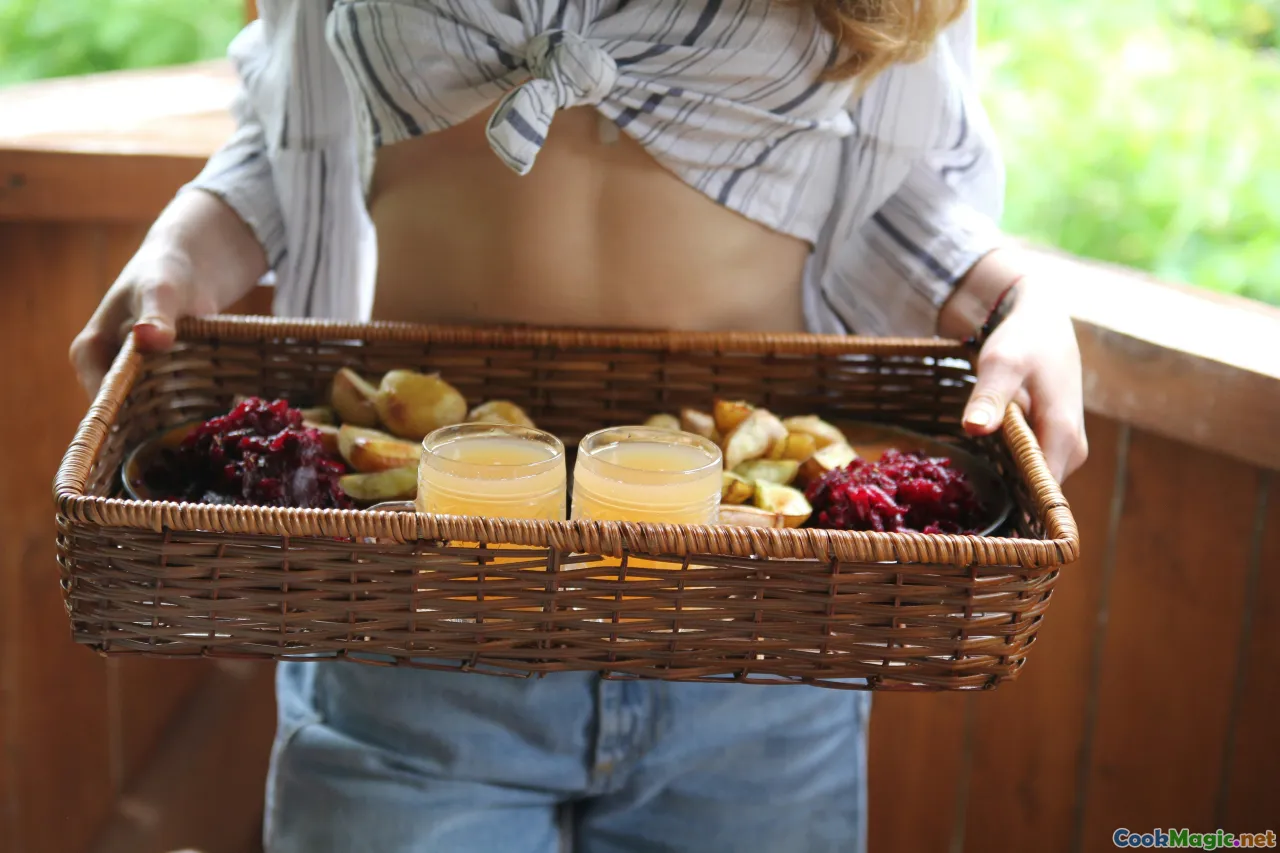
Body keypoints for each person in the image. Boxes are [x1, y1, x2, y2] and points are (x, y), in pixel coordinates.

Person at [71, 2, 1088, 851]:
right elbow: (292, 128)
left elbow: (890, 183)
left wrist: (1013, 297)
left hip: (755, 637)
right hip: (412, 619)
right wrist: (184, 247)